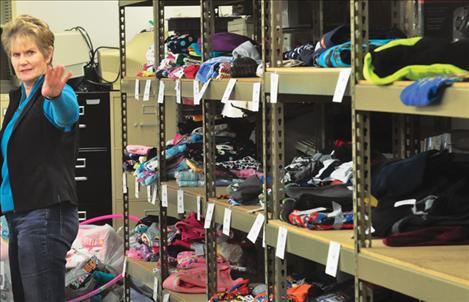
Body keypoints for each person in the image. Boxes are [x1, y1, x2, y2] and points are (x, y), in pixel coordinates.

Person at [0, 15, 80, 301]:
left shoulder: (53, 94)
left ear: (48, 54)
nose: (22, 60)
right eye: (16, 54)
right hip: (19, 217)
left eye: (30, 52)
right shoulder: (19, 99)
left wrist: (55, 96)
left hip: (44, 214)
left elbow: (67, 115)